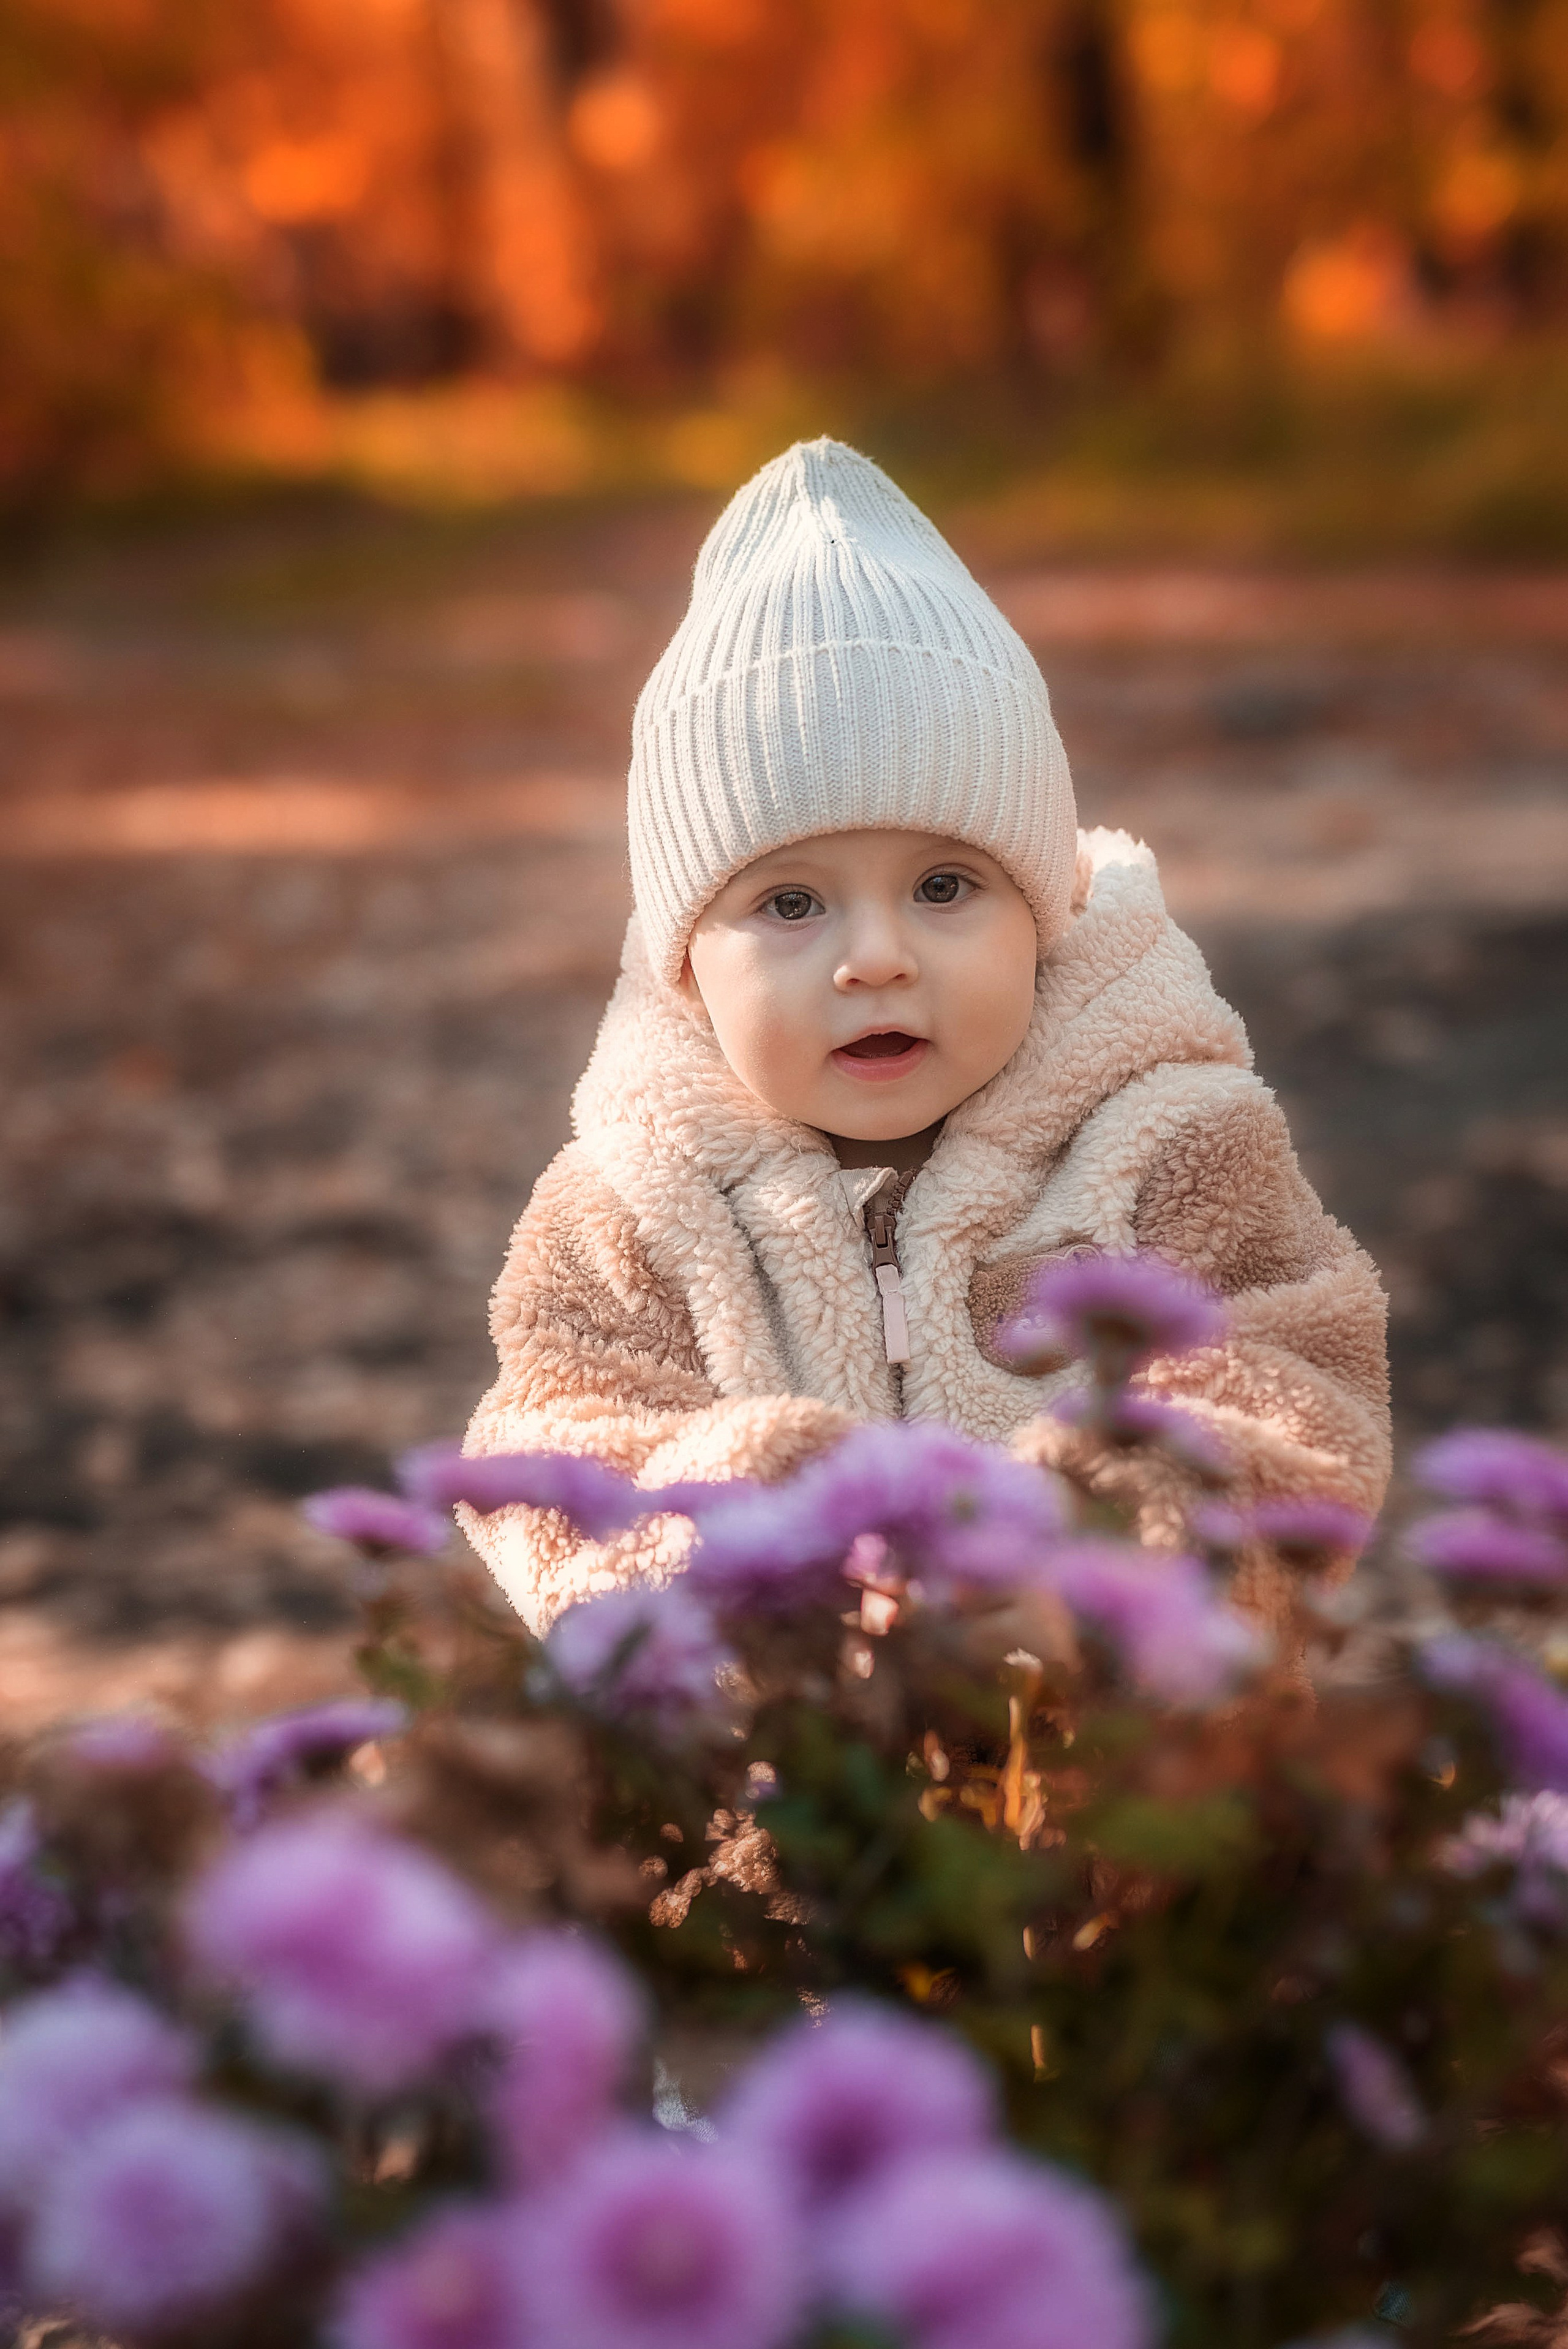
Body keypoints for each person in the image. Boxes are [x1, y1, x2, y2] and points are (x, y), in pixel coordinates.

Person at [460, 438, 1390, 1633]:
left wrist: (1074, 1562)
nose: (876, 957)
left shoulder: (1171, 1142)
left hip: (1125, 1781)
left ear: (1044, 909)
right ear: (686, 963)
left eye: (944, 887)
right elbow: (558, 1462)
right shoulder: (630, 1208)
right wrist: (773, 1550)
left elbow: (1291, 1396)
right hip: (791, 1788)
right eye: (789, 904)